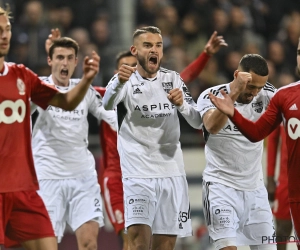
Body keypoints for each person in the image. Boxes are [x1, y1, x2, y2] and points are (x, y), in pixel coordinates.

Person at [95, 30, 228, 250]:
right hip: (138, 175)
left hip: (171, 174)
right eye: (147, 45)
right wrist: (119, 81)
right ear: (135, 50)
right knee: (138, 244)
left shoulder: (173, 79)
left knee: (165, 246)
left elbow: (197, 122)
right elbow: (107, 105)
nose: (154, 49)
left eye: (158, 45)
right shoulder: (124, 81)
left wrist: (182, 105)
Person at [0, 5, 99, 250]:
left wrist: (86, 79)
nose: (4, 35)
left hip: (24, 189)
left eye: (8, 29)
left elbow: (65, 101)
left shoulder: (22, 75)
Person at [208, 39, 300, 249]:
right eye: (299, 51)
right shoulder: (284, 96)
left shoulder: (277, 95)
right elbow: (258, 133)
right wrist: (232, 112)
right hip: (296, 193)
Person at [30, 33, 117, 250]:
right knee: (47, 246)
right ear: (49, 60)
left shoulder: (84, 89)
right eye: (59, 57)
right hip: (47, 178)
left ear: (77, 62)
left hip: (83, 178)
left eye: (70, 58)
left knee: (89, 244)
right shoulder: (38, 88)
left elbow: (110, 114)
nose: (65, 63)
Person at [197, 54, 276, 250]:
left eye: (260, 87)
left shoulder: (267, 95)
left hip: (256, 192)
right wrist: (233, 95)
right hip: (221, 189)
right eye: (251, 87)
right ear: (237, 75)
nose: (255, 93)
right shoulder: (211, 94)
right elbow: (211, 126)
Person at [267, 124, 292, 250]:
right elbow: (272, 138)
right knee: (282, 230)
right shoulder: (282, 104)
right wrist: (270, 178)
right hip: (286, 180)